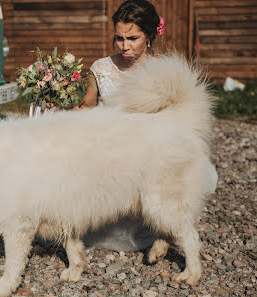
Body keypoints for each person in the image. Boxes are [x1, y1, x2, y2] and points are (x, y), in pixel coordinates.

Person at [76, 0, 165, 252]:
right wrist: (57, 113)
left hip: (146, 148)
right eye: (119, 38)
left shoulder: (161, 71)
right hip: (106, 146)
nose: (125, 46)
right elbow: (87, 106)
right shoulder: (101, 68)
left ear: (148, 35)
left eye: (133, 38)